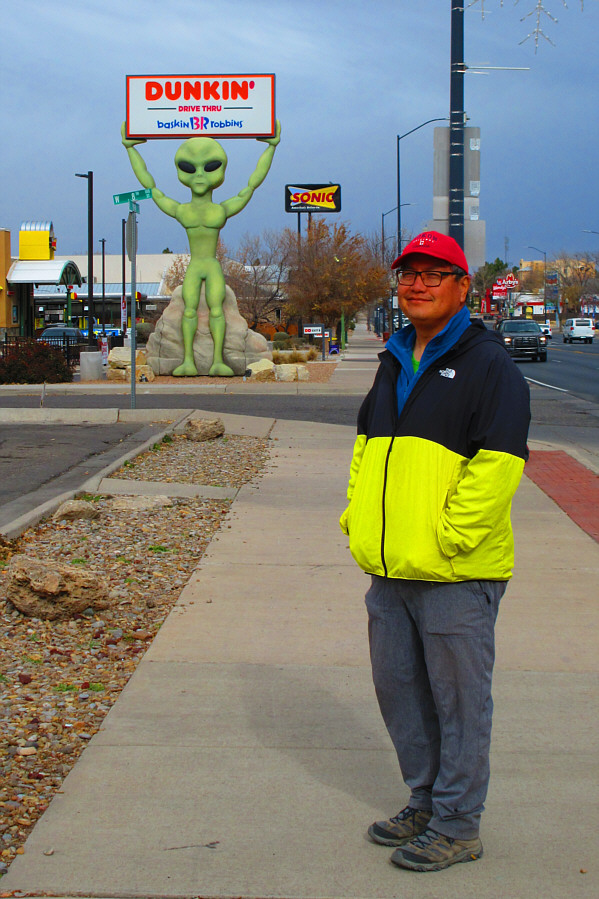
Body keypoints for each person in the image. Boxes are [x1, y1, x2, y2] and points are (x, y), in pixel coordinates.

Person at [339, 231, 530, 872]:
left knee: (459, 702)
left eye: (433, 274)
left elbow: (497, 467)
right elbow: (367, 449)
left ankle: (457, 824)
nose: (416, 284)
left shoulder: (488, 363)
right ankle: (423, 801)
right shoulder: (394, 357)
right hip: (389, 569)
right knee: (400, 692)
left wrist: (448, 537)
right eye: (408, 274)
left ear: (461, 287)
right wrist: (356, 518)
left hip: (455, 570)